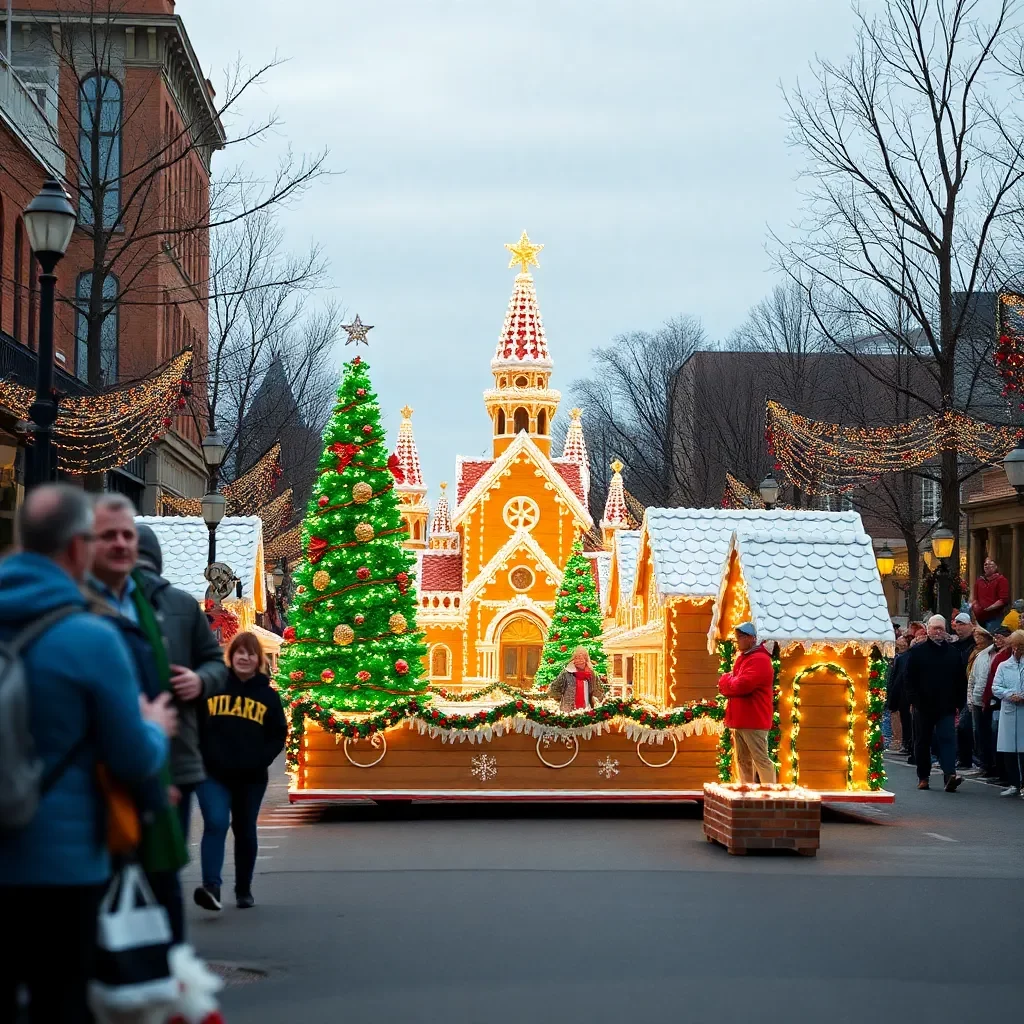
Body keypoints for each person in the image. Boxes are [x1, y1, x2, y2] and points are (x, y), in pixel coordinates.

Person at [0, 484, 176, 1024]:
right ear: (79, 548)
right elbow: (131, 757)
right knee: (62, 998)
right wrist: (154, 728)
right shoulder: (90, 638)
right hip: (63, 859)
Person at [87, 495, 190, 943]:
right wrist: (145, 743)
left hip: (149, 773)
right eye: (107, 535)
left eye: (127, 535)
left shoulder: (145, 605)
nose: (121, 544)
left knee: (162, 905)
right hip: (98, 789)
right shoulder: (82, 609)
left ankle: (163, 985)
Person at [134, 523, 228, 840]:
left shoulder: (182, 605)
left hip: (177, 752)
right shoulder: (105, 602)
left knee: (166, 860)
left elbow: (215, 661)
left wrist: (199, 681)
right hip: (120, 752)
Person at [194, 632, 287, 911]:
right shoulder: (214, 687)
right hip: (212, 774)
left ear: (259, 659)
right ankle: (211, 886)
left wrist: (261, 759)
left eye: (250, 653)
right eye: (239, 652)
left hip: (251, 777)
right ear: (230, 656)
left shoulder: (267, 695)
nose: (244, 658)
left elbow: (278, 733)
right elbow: (195, 724)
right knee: (216, 822)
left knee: (245, 829)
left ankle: (243, 887)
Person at [903, 614, 966, 792]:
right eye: (934, 628)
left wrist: (959, 703)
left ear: (945, 630)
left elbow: (961, 680)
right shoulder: (917, 652)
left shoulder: (953, 653)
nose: (938, 631)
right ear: (928, 629)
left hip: (946, 705)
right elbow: (909, 680)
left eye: (941, 628)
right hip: (923, 705)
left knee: (948, 739)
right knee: (922, 741)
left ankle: (950, 775)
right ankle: (923, 776)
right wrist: (914, 700)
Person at [717, 622, 776, 785]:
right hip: (740, 719)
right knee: (743, 761)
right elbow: (729, 683)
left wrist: (727, 680)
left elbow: (741, 686)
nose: (738, 641)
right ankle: (745, 792)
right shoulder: (744, 658)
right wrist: (728, 681)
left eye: (742, 637)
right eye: (737, 637)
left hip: (754, 719)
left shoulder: (759, 660)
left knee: (760, 759)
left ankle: (769, 794)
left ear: (752, 638)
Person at [991, 629, 1024, 797]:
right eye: (1016, 646)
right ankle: (1013, 783)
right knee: (1009, 749)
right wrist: (1010, 695)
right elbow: (995, 687)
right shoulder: (1004, 666)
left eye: (1021, 647)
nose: (1018, 650)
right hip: (1009, 710)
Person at [969, 627, 999, 779]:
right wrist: (973, 699)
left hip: (988, 700)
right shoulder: (981, 655)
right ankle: (984, 764)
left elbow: (984, 681)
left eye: (980, 637)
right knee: (979, 733)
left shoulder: (995, 655)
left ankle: (990, 766)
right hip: (978, 700)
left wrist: (978, 699)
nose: (977, 641)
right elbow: (973, 679)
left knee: (988, 733)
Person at [950, 613, 976, 768]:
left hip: (971, 689)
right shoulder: (954, 645)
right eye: (957, 625)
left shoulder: (974, 644)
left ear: (970, 625)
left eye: (962, 624)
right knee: (959, 725)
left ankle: (967, 757)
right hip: (957, 689)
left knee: (965, 725)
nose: (959, 628)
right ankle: (962, 756)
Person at [548, 646, 607, 712]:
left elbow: (598, 690)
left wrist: (599, 701)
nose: (579, 660)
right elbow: (554, 688)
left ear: (586, 659)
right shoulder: (566, 672)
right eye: (577, 657)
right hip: (569, 711)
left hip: (588, 710)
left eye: (581, 657)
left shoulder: (592, 673)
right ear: (573, 659)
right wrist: (561, 698)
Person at [971, 558, 1010, 632]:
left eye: (990, 564)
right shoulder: (979, 581)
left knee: (991, 637)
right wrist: (974, 607)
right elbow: (975, 598)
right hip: (979, 618)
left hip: (994, 617)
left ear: (996, 567)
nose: (987, 566)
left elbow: (1003, 600)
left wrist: (989, 608)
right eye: (985, 564)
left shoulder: (1002, 580)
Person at [886, 636, 910, 752]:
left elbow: (897, 679)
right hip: (901, 695)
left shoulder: (903, 659)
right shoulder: (899, 658)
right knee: (904, 720)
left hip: (904, 695)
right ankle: (904, 742)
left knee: (906, 721)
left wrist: (892, 698)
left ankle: (905, 742)